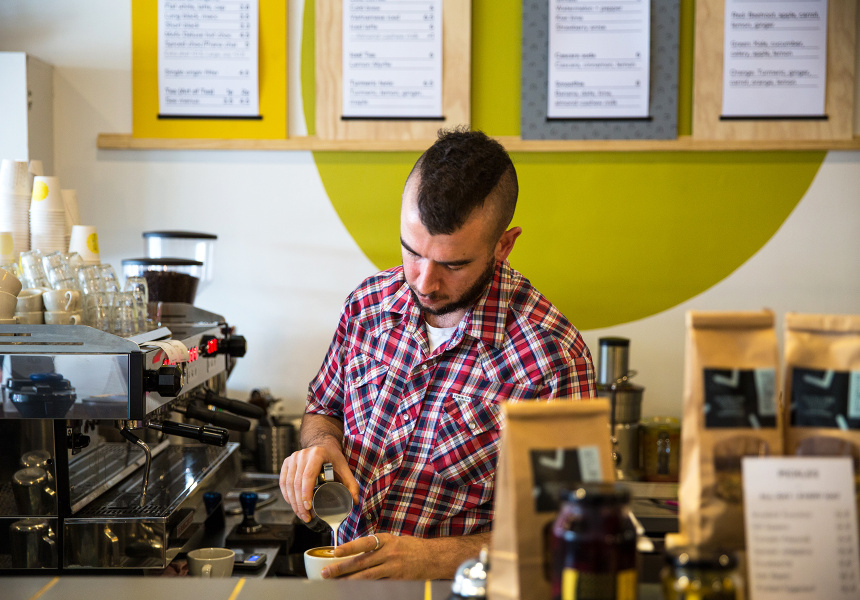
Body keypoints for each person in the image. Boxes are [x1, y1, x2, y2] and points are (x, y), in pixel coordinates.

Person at [280, 127, 595, 579]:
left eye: (453, 264)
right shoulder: (368, 305)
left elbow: (570, 532)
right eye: (412, 252)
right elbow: (323, 409)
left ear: (503, 246)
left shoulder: (552, 358)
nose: (424, 282)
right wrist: (322, 444)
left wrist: (434, 559)